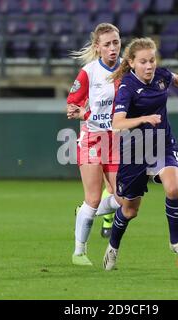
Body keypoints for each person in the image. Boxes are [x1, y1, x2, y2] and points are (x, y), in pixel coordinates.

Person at [103, 37, 178, 271]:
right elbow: (117, 122)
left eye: (152, 60)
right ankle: (113, 247)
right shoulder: (126, 87)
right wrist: (144, 119)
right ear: (131, 63)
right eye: (143, 62)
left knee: (173, 188)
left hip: (163, 143)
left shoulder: (161, 76)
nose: (150, 65)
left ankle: (176, 242)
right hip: (134, 149)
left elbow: (176, 79)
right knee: (130, 210)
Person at [66, 23, 123, 266]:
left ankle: (84, 215)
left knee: (124, 199)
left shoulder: (128, 71)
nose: (112, 48)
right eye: (107, 44)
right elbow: (72, 105)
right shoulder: (88, 72)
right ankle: (79, 252)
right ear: (97, 47)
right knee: (92, 197)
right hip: (92, 139)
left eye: (116, 42)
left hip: (117, 140)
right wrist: (78, 112)